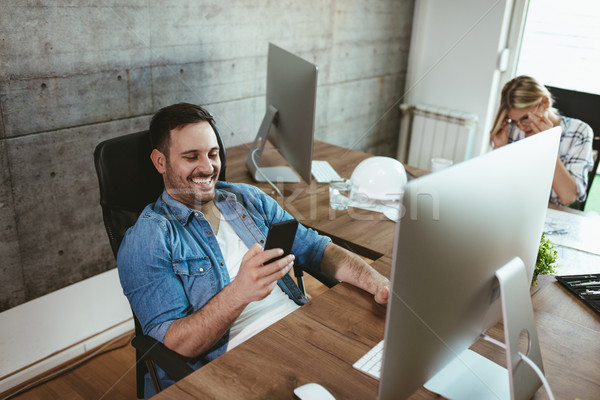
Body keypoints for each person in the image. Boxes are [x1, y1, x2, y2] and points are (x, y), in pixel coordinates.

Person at [117, 103, 390, 397]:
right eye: (191, 157)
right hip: (233, 363)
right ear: (160, 161)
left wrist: (379, 283)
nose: (208, 167)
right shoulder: (148, 238)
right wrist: (240, 292)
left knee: (381, 373)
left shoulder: (247, 198)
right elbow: (177, 344)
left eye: (212, 153)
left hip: (300, 329)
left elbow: (316, 248)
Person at [490, 75, 594, 206]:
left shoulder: (579, 131)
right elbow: (496, 191)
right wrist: (499, 148)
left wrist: (549, 144)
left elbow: (568, 197)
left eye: (525, 118)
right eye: (514, 121)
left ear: (545, 103)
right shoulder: (512, 131)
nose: (521, 127)